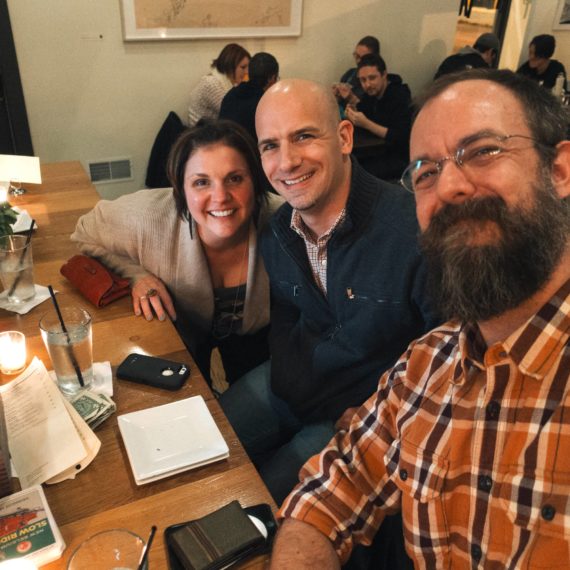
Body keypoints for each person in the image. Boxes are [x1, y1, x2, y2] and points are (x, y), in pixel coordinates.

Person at [270, 69, 570, 569]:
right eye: (426, 171)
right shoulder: (428, 363)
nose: (449, 185)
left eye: (483, 151)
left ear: (559, 170)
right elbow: (328, 494)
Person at [220, 79, 439, 504]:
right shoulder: (278, 233)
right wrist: (289, 376)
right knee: (199, 443)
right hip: (289, 384)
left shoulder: (412, 234)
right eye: (270, 145)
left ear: (344, 137)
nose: (287, 161)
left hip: (357, 413)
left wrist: (382, 417)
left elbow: (446, 361)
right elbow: (285, 318)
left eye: (303, 136)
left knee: (258, 504)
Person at [71, 120, 282, 386]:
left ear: (256, 180)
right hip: (184, 333)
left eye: (235, 178)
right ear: (180, 188)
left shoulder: (286, 221)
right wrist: (135, 275)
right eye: (201, 182)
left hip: (258, 337)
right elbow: (83, 233)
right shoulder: (149, 218)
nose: (220, 196)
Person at [344, 54, 412, 180]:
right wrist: (353, 112)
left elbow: (400, 136)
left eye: (372, 78)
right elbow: (364, 111)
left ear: (384, 75)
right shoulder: (371, 94)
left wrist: (366, 123)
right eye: (363, 80)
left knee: (354, 171)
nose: (367, 84)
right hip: (376, 149)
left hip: (397, 156)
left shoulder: (399, 95)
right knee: (345, 160)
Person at [219, 52, 279, 141]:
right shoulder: (265, 103)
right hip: (248, 152)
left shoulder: (231, 94)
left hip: (225, 147)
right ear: (271, 78)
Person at [187, 44, 251, 127]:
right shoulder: (211, 84)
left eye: (248, 67)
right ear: (229, 66)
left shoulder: (227, 82)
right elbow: (235, 113)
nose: (247, 72)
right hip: (201, 134)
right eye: (243, 67)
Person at [333, 35, 380, 103]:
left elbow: (370, 110)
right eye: (356, 56)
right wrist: (336, 95)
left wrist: (351, 98)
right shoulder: (350, 73)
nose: (358, 61)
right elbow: (339, 101)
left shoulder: (376, 81)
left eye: (363, 58)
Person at [434, 32, 499, 79]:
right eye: (493, 56)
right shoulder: (484, 71)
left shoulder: (450, 59)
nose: (492, 60)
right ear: (490, 52)